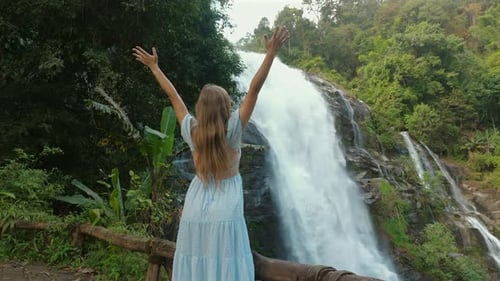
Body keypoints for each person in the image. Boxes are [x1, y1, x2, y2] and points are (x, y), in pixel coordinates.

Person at [132, 26, 289, 281]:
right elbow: (254, 90)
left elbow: (173, 96)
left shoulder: (192, 131)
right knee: (225, 259)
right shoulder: (234, 128)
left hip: (196, 204)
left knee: (198, 257)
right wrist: (270, 53)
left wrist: (154, 67)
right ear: (227, 106)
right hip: (226, 207)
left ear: (200, 110)